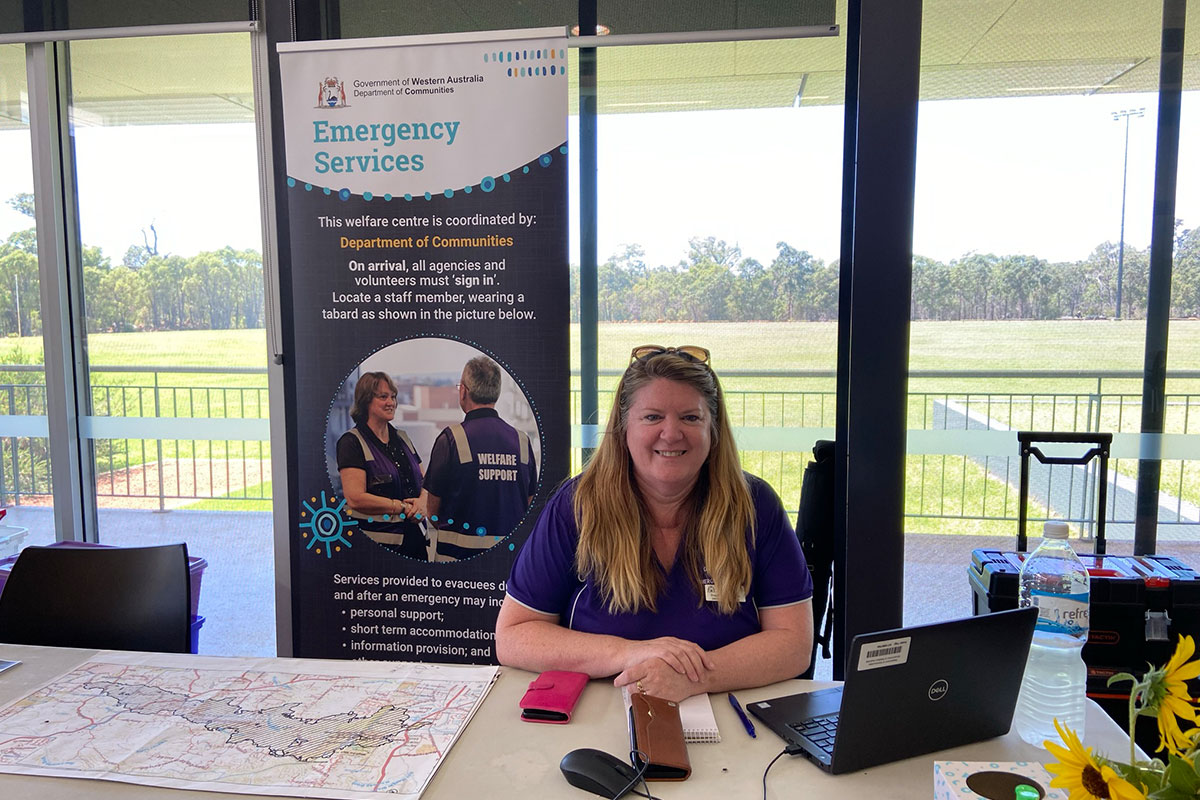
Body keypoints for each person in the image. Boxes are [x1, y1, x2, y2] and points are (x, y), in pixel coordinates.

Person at [495, 345, 813, 702]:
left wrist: (694, 677)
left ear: (715, 430)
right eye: (652, 417)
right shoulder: (578, 505)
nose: (672, 433)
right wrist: (631, 653)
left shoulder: (755, 506)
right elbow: (514, 636)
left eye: (691, 418)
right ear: (622, 427)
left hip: (728, 712)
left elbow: (794, 644)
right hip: (600, 713)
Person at [423, 356, 537, 556]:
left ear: (463, 391)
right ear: (496, 392)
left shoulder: (450, 440)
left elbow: (432, 510)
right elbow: (529, 503)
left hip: (457, 563)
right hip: (509, 561)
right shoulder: (522, 441)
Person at [336, 371, 429, 560]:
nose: (391, 402)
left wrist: (422, 503)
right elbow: (355, 498)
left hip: (416, 541)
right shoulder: (351, 442)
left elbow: (425, 480)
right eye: (383, 397)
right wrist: (400, 507)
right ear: (366, 401)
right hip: (378, 550)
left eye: (393, 397)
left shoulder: (402, 437)